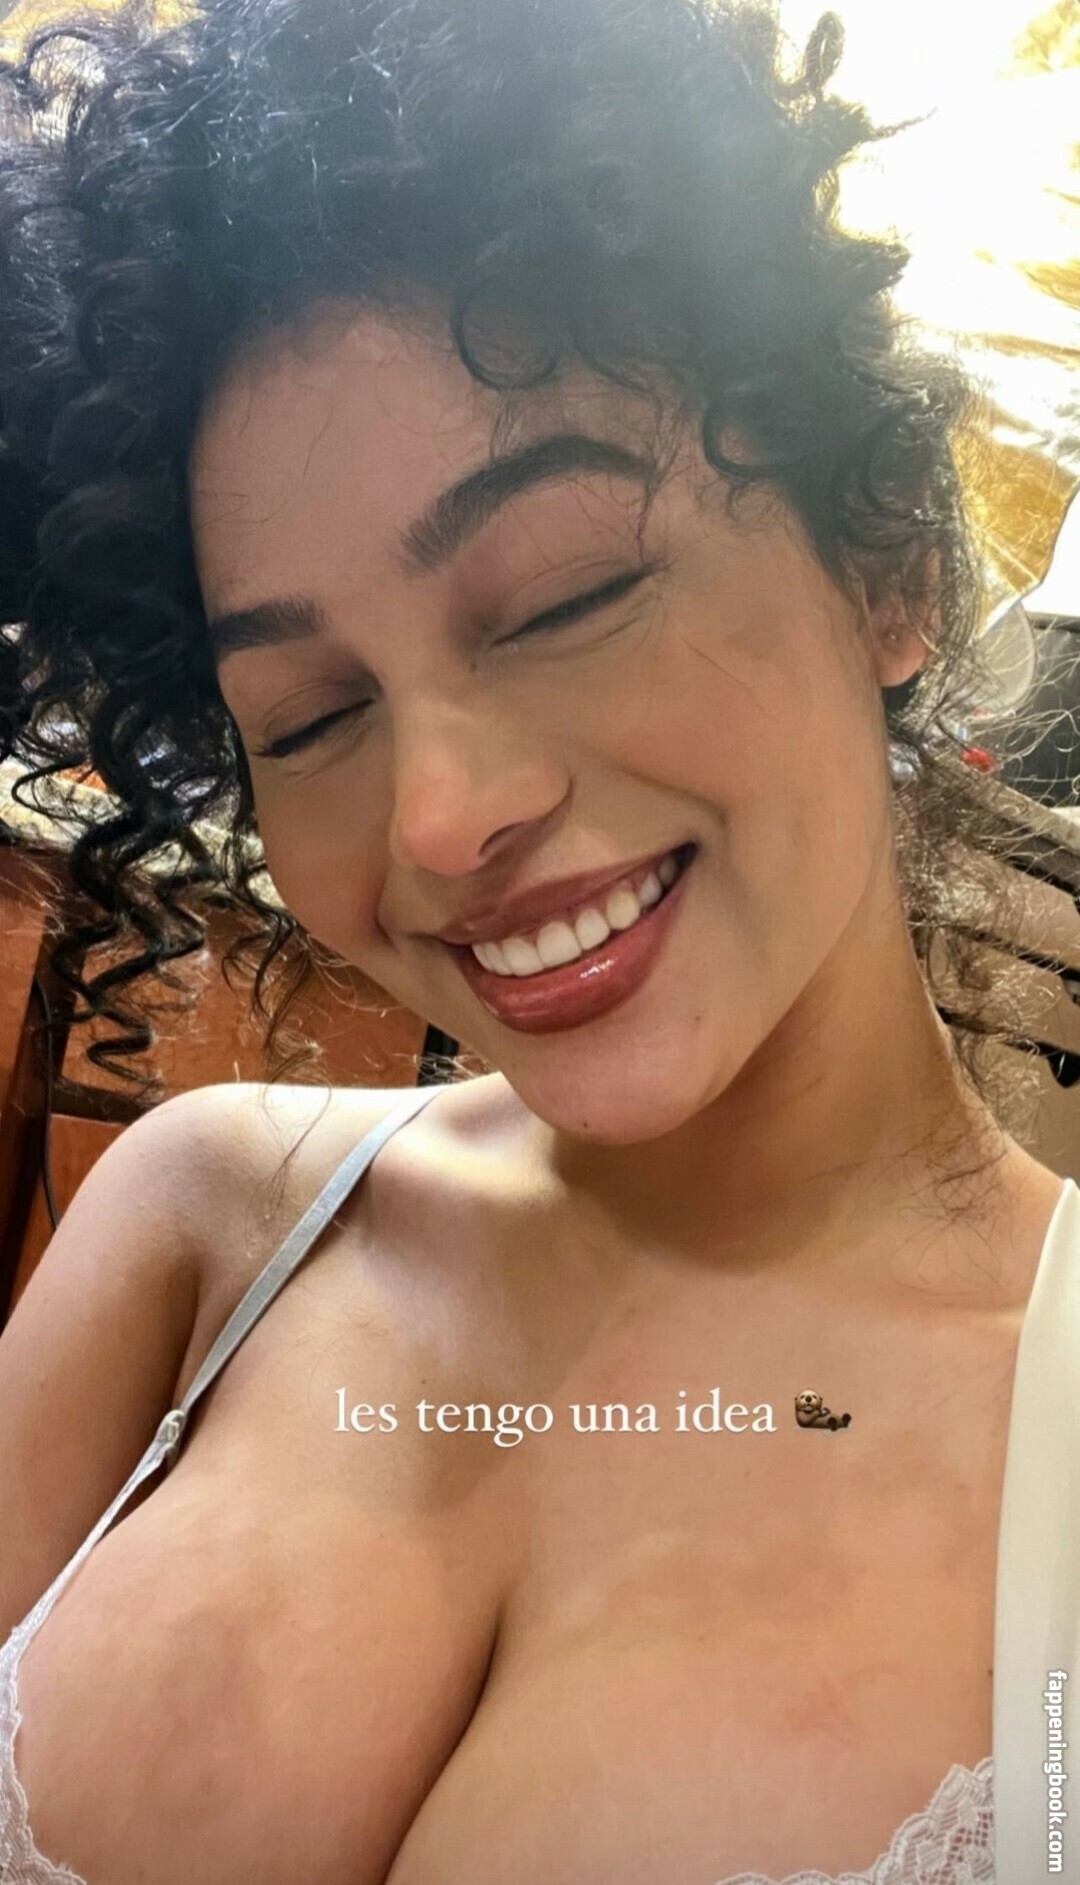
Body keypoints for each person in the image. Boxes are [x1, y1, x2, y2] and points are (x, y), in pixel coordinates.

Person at [0, 0, 1072, 1879]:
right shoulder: (202, 1222)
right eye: (313, 716)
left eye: (568, 596)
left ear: (889, 559)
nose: (437, 819)